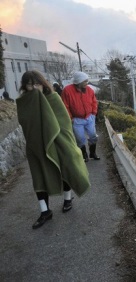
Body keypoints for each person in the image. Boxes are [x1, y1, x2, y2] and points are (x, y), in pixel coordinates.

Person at [16, 70, 90, 229]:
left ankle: (67, 199)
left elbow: (64, 123)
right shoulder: (24, 103)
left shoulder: (54, 98)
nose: (34, 88)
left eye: (37, 84)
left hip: (58, 142)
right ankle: (45, 211)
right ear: (25, 86)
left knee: (64, 168)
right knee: (39, 177)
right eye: (30, 85)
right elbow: (26, 124)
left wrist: (60, 140)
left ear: (42, 84)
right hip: (35, 145)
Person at [61, 71, 100, 162]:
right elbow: (64, 105)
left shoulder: (89, 90)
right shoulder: (67, 90)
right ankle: (84, 155)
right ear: (78, 82)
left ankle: (92, 153)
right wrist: (71, 118)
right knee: (80, 138)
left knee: (93, 136)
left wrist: (94, 113)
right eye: (85, 81)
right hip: (77, 119)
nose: (87, 83)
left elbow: (94, 101)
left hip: (89, 117)